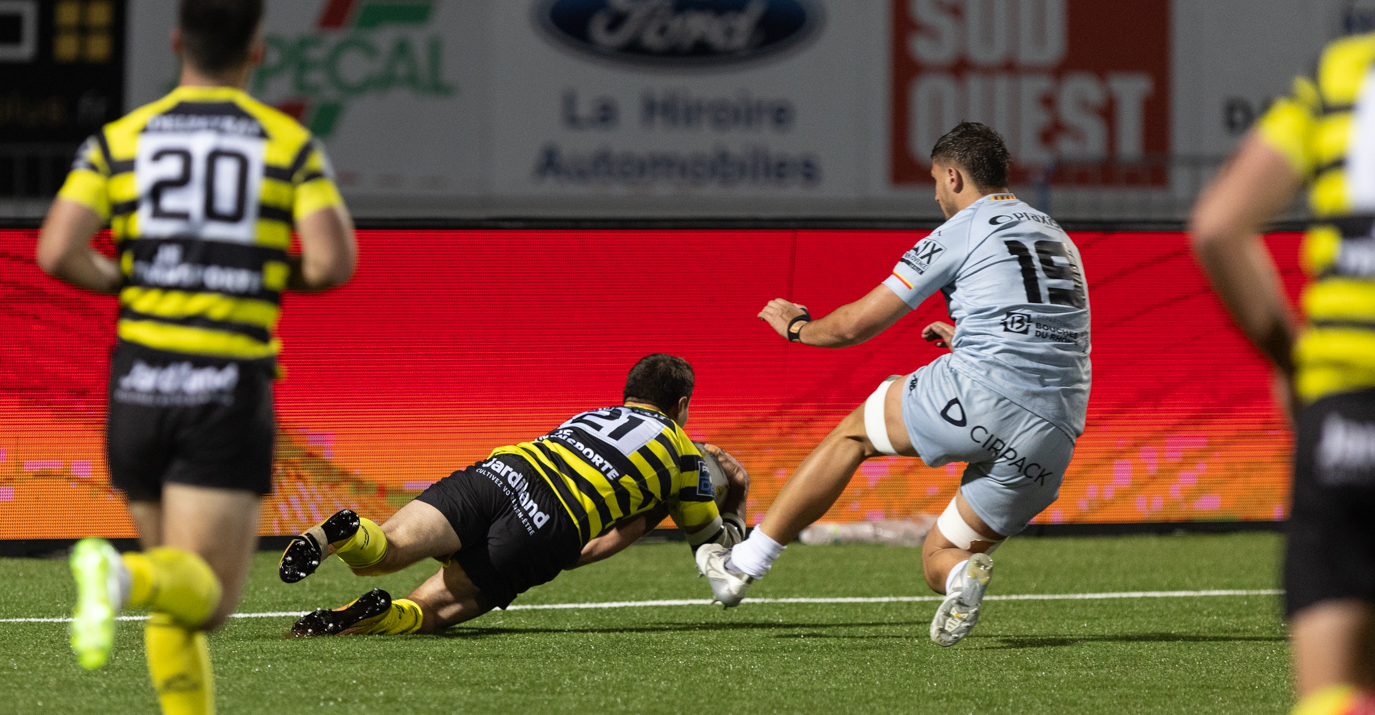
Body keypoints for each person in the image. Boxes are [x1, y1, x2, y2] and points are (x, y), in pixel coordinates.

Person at [34, 0, 357, 715]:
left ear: (178, 41)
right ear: (257, 49)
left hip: (139, 385)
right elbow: (331, 263)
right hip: (222, 386)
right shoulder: (285, 143)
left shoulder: (120, 139)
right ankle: (117, 573)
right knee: (205, 597)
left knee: (176, 589)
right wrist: (258, 274)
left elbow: (56, 249)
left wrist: (129, 281)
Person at [695, 122, 1091, 647]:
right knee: (939, 556)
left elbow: (855, 325)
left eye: (934, 181)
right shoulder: (1057, 234)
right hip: (1056, 430)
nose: (934, 195)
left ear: (953, 177)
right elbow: (1053, 331)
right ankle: (961, 577)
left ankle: (741, 565)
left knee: (853, 435)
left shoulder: (964, 227)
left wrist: (797, 328)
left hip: (982, 390)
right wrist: (966, 336)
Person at [1190, 27, 1375, 715]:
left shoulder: (1347, 69)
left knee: (1342, 690)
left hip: (1345, 408)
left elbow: (1218, 225)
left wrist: (1290, 361)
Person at [280, 354, 748, 635]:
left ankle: (343, 534)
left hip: (504, 470)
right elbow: (721, 566)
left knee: (385, 550)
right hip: (551, 522)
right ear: (682, 404)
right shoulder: (685, 456)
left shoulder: (591, 416)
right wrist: (736, 496)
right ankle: (379, 616)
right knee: (428, 611)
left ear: (629, 393)